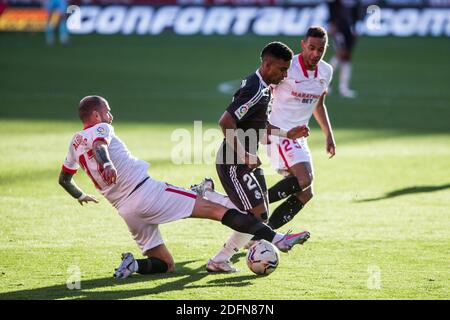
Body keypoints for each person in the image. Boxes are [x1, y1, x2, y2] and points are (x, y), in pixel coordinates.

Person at [58, 95, 309, 279]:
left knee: (164, 264)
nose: (110, 116)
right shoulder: (102, 128)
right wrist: (108, 164)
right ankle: (277, 237)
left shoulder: (74, 143)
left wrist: (80, 195)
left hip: (126, 211)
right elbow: (101, 146)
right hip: (146, 193)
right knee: (217, 211)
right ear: (96, 115)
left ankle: (133, 265)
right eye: (107, 111)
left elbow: (64, 179)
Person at [193, 42, 311, 273]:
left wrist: (288, 133)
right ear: (267, 64)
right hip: (232, 162)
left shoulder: (265, 88)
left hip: (244, 162)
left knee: (260, 215)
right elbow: (225, 121)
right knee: (253, 216)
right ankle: (207, 196)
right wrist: (244, 154)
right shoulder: (255, 88)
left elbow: (260, 124)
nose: (285, 74)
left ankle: (219, 257)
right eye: (282, 69)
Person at [327, 0, 360, 98]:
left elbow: (355, 12)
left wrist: (355, 28)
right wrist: (332, 24)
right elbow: (331, 7)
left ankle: (343, 88)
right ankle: (325, 85)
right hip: (339, 28)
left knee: (346, 57)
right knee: (341, 54)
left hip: (349, 29)